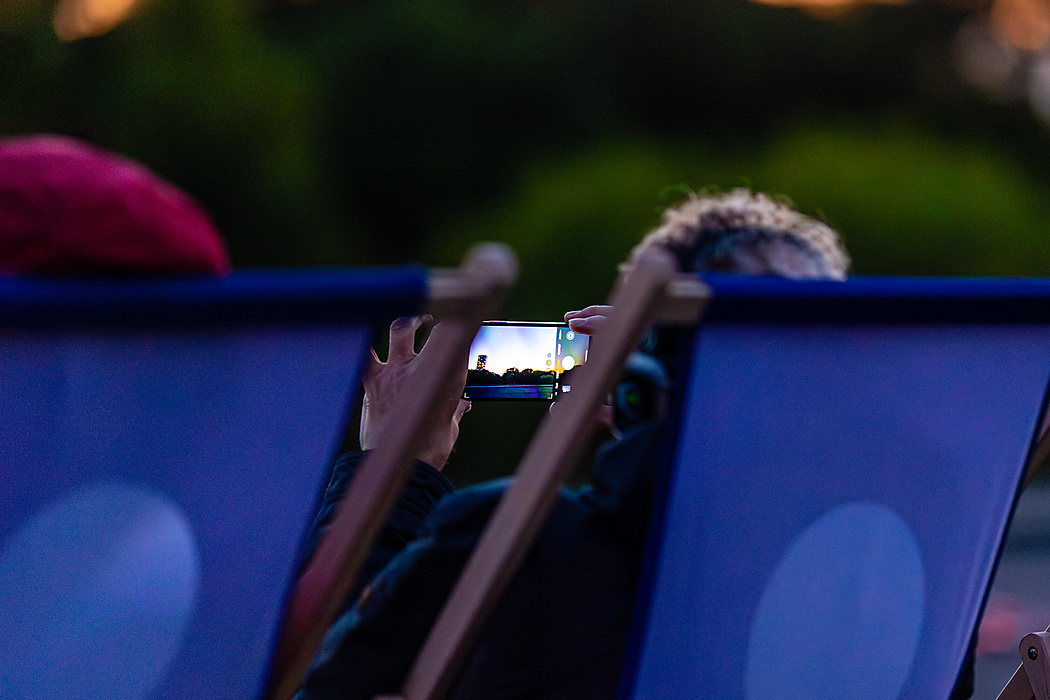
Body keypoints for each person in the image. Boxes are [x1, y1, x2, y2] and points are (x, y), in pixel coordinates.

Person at [295, 188, 855, 700]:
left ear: (641, 378)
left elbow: (314, 669)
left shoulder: (519, 541)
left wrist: (394, 467)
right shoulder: (860, 561)